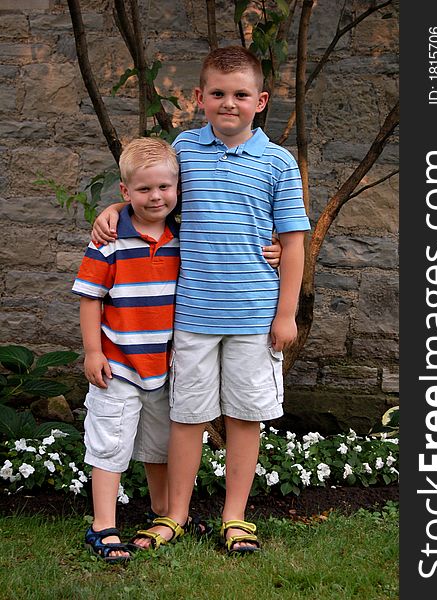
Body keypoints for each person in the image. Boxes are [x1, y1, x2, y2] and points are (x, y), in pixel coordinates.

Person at [92, 45, 310, 555]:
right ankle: (176, 514)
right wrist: (114, 205)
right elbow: (155, 194)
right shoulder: (186, 151)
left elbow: (293, 242)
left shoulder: (277, 163)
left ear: (261, 100)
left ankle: (235, 517)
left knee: (243, 416)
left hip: (254, 315)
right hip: (191, 314)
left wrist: (286, 314)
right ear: (198, 98)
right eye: (217, 93)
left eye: (240, 94)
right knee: (187, 415)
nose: (228, 102)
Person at [72, 137, 182, 563]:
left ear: (176, 187)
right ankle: (103, 525)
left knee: (161, 446)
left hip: (164, 366)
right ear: (124, 192)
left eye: (164, 188)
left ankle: (164, 514)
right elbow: (90, 298)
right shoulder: (109, 240)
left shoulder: (183, 236)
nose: (155, 197)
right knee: (109, 444)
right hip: (116, 364)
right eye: (143, 190)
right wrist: (92, 351)